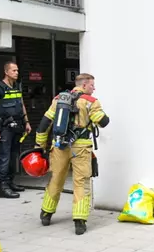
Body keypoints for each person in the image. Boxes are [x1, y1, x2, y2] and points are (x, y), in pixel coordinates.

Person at [35, 73, 110, 235]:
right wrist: (101, 115)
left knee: (55, 178)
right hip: (81, 148)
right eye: (92, 85)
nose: (94, 88)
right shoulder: (91, 102)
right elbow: (103, 122)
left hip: (59, 146)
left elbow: (44, 124)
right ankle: (79, 221)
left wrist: (39, 146)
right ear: (83, 85)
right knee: (81, 182)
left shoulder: (58, 99)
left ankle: (46, 214)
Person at [0, 61, 31, 199]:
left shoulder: (17, 86)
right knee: (4, 157)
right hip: (4, 128)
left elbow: (21, 104)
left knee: (13, 156)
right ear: (6, 72)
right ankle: (3, 187)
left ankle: (11, 182)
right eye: (14, 70)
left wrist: (26, 122)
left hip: (17, 126)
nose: (17, 73)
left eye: (17, 70)